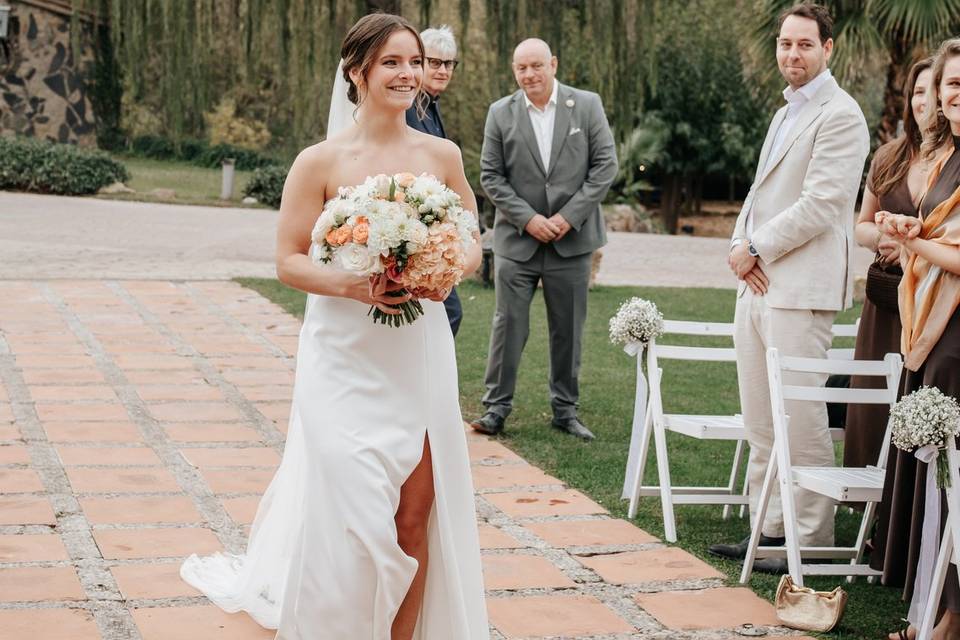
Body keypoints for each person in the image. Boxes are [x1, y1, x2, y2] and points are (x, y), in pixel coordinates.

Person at [179, 14, 489, 640]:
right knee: (350, 508)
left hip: (417, 351)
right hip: (342, 355)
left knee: (414, 511)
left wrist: (442, 266)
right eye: (392, 63)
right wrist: (354, 282)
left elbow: (472, 240)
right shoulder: (318, 162)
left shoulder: (442, 155)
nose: (409, 75)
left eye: (414, 62)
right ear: (358, 72)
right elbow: (288, 259)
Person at [708, 3, 869, 573]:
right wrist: (737, 246)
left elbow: (823, 204)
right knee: (760, 420)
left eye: (804, 44)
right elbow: (759, 194)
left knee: (799, 419)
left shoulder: (842, 113)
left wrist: (755, 249)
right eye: (784, 44)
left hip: (800, 291)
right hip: (756, 285)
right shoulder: (784, 114)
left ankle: (811, 538)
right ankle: (767, 531)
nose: (792, 55)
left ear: (829, 48)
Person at [470, 37, 617, 441]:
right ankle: (496, 408)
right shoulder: (500, 113)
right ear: (513, 71)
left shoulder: (586, 105)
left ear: (553, 63)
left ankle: (565, 410)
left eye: (536, 65)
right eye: (521, 68)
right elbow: (491, 177)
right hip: (518, 242)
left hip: (572, 242)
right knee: (508, 325)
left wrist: (568, 218)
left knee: (568, 328)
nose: (529, 75)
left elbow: (605, 166)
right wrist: (529, 219)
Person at [877, 38, 960, 640]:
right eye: (953, 84)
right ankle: (936, 608)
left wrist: (911, 242)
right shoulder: (941, 157)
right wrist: (906, 228)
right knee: (942, 477)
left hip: (958, 338)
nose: (957, 95)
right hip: (931, 326)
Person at [843, 57, 932, 470]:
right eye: (916, 91)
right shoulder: (889, 157)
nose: (923, 100)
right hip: (884, 303)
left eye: (931, 91)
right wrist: (885, 238)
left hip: (931, 301)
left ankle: (911, 515)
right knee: (875, 399)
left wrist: (916, 246)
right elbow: (860, 226)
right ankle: (873, 509)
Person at [405, 25, 464, 336]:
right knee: (448, 312)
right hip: (415, 228)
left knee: (445, 313)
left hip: (433, 230)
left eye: (449, 63)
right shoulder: (410, 108)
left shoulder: (430, 106)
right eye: (435, 62)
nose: (443, 70)